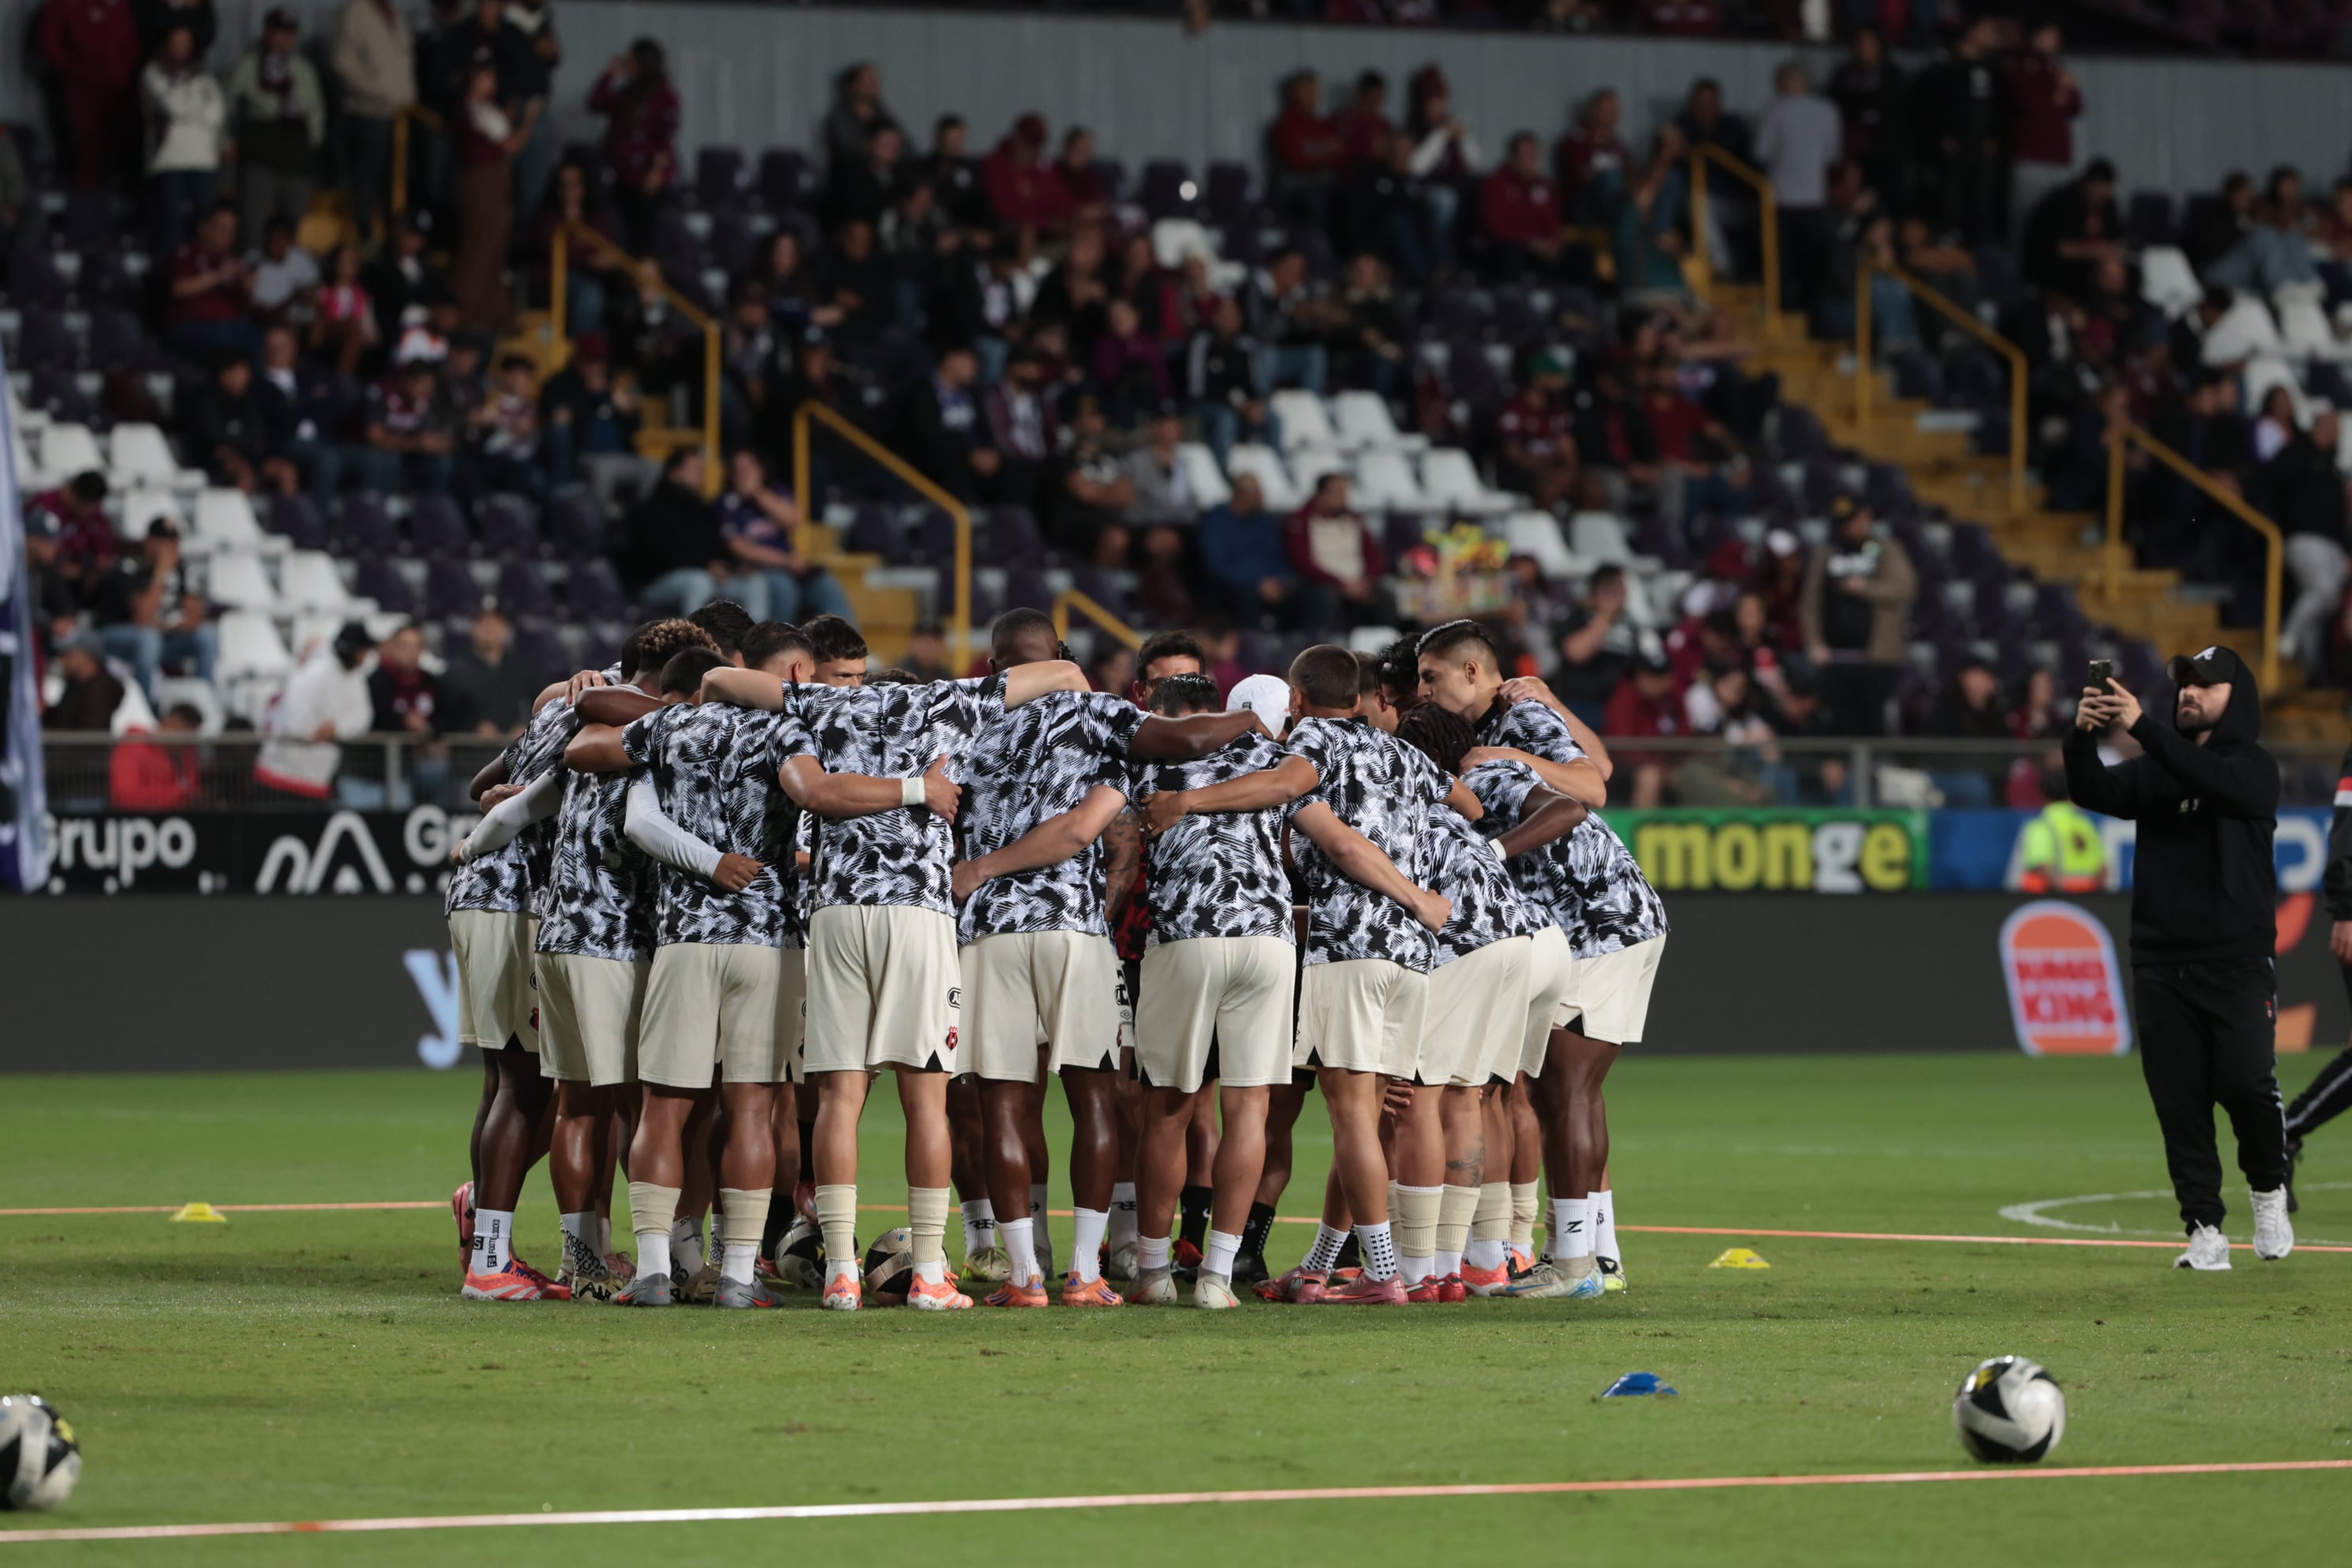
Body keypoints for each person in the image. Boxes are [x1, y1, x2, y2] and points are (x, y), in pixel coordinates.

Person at [702, 643, 1091, 1312]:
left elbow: (714, 678)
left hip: (836, 910)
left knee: (839, 1099)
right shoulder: (951, 702)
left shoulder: (823, 704)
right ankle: (932, 1274)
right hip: (917, 914)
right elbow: (1066, 674)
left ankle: (841, 1273)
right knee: (926, 1099)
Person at [949, 611, 1265, 1309]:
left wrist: (975, 872)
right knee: (1092, 1095)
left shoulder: (967, 721)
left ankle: (1025, 1277)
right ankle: (1086, 1274)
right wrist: (1247, 719)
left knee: (1003, 1102)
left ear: (996, 666)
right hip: (1073, 928)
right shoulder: (1094, 713)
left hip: (988, 932)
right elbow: (1184, 738)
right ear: (1060, 657)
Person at [1145, 645, 1459, 1306]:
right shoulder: (1401, 753)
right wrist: (1421, 891)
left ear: (1297, 699)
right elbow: (1469, 804)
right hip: (1414, 953)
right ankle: (1327, 1260)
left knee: (1346, 1116)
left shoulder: (1311, 739)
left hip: (1353, 939)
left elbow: (1322, 822)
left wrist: (1190, 803)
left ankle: (1380, 1274)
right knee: (1372, 1116)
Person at [455, 617, 718, 1298]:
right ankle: (505, 1256)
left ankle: (543, 1247)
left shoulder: (571, 709)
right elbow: (639, 821)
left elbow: (492, 784)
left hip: (517, 905)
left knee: (531, 1087)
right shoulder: (627, 729)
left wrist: (478, 839)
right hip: (552, 912)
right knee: (553, 1091)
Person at [560, 621, 818, 1309]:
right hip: (768, 939)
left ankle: (651, 1271)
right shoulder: (787, 731)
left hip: (683, 940)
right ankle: (735, 1275)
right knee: (752, 1110)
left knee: (664, 1107)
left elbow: (590, 754)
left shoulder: (671, 732)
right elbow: (813, 796)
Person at [1419, 620, 1660, 1295]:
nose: (1423, 690)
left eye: (1430, 676)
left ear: (1471, 672)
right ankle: (1597, 1255)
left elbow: (1591, 789)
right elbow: (1600, 766)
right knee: (1565, 1091)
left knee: (1566, 1088)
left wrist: (1512, 763)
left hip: (1600, 916)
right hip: (1593, 919)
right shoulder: (1512, 716)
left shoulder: (1515, 718)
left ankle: (1576, 1261)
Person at [2064, 647, 2292, 1270]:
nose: (2189, 693)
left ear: (2235, 697)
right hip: (2161, 961)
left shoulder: (2253, 767)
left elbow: (2209, 776)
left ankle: (2270, 1190)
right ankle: (2205, 1229)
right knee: (2179, 1101)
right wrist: (2081, 735)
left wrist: (2140, 727)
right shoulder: (2161, 765)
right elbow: (2093, 789)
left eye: (2205, 685)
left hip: (2235, 960)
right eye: (2184, 684)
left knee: (2247, 1084)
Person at [1800, 497, 1915, 736]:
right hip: (1834, 657)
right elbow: (1810, 602)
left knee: (1872, 722)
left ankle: (1873, 772)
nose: (1856, 526)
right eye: (1848, 522)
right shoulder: (1828, 554)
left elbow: (1906, 587)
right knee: (1839, 722)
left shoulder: (1884, 549)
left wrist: (1865, 588)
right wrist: (1814, 642)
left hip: (1877, 657)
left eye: (1859, 520)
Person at [716, 450, 854, 626]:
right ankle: (779, 647)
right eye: (739, 469)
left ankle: (852, 648)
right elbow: (739, 547)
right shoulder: (727, 502)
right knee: (784, 589)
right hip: (759, 570)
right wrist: (786, 561)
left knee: (826, 585)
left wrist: (758, 493)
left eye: (749, 468)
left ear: (761, 470)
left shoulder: (776, 493)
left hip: (791, 566)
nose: (744, 474)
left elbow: (794, 520)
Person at [225, 8, 324, 243]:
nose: (285, 38)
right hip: (261, 147)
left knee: (293, 219)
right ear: (267, 33)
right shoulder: (249, 65)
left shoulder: (303, 68)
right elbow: (224, 103)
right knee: (253, 219)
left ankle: (286, 271)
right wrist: (225, 141)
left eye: (290, 33)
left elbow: (316, 109)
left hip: (296, 149)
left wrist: (313, 141)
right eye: (280, 32)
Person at [1752, 62, 1840, 317]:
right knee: (1812, 261)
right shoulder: (1827, 110)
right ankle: (1813, 310)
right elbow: (1832, 154)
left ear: (1780, 84)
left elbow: (1761, 151)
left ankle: (1783, 307)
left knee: (1781, 260)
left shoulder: (1774, 109)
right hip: (1814, 197)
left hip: (1781, 198)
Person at [94, 518, 214, 702]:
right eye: (162, 541)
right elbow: (142, 618)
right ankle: (145, 706)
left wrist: (168, 625)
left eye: (173, 542)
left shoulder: (182, 569)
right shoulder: (129, 566)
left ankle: (202, 702)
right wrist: (161, 572)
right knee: (149, 638)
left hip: (163, 637)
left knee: (207, 636)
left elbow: (195, 619)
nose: (168, 548)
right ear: (149, 541)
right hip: (117, 636)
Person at [256, 620, 373, 801]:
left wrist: (336, 729)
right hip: (281, 776)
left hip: (318, 778)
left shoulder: (356, 678)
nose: (364, 658)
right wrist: (315, 733)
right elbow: (295, 727)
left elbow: (363, 717)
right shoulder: (312, 674)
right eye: (362, 652)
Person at [141, 24, 226, 258]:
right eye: (177, 42)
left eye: (186, 43)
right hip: (169, 160)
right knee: (172, 225)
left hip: (204, 160)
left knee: (205, 226)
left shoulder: (204, 75)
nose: (181, 48)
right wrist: (197, 107)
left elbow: (217, 113)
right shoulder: (153, 72)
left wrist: (188, 110)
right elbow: (172, 107)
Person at [37, 0, 141, 190]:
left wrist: (122, 72)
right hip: (80, 89)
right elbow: (50, 45)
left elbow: (131, 43)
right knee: (87, 144)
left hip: (118, 88)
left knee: (123, 141)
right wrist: (75, 71)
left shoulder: (120, 5)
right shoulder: (62, 6)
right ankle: (86, 201)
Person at [586, 38, 677, 251]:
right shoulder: (626, 94)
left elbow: (665, 140)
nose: (629, 66)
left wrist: (656, 173)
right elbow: (595, 103)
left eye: (632, 61)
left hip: (647, 181)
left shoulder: (665, 96)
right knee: (620, 237)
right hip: (622, 176)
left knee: (643, 240)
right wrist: (610, 73)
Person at [1283, 473, 1387, 628]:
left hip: (1359, 583)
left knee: (1387, 596)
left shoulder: (1355, 520)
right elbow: (1304, 563)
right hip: (1323, 584)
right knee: (1327, 597)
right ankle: (1326, 647)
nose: (1344, 498)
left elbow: (1374, 556)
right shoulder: (1301, 521)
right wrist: (1341, 584)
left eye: (1345, 493)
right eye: (1338, 492)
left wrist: (1367, 581)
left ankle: (1387, 647)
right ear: (1322, 495)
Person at [440, 607, 543, 737]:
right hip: (467, 750)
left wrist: (528, 727)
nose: (490, 631)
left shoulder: (523, 668)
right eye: (484, 625)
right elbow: (444, 717)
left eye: (496, 625)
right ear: (473, 630)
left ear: (506, 630)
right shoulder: (455, 671)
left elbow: (545, 704)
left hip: (513, 748)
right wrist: (472, 728)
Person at [361, 357, 459, 492]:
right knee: (389, 459)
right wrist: (416, 443)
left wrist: (439, 443)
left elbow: (428, 434)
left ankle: (432, 506)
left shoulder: (424, 400)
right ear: (407, 380)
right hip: (365, 449)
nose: (428, 392)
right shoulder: (381, 391)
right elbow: (375, 438)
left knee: (442, 463)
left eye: (431, 387)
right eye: (424, 386)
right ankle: (379, 504)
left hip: (407, 453)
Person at [42, 631, 126, 732]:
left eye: (68, 654)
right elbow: (62, 721)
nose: (62, 660)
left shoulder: (100, 691)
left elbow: (90, 741)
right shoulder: (76, 684)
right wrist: (45, 712)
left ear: (87, 656)